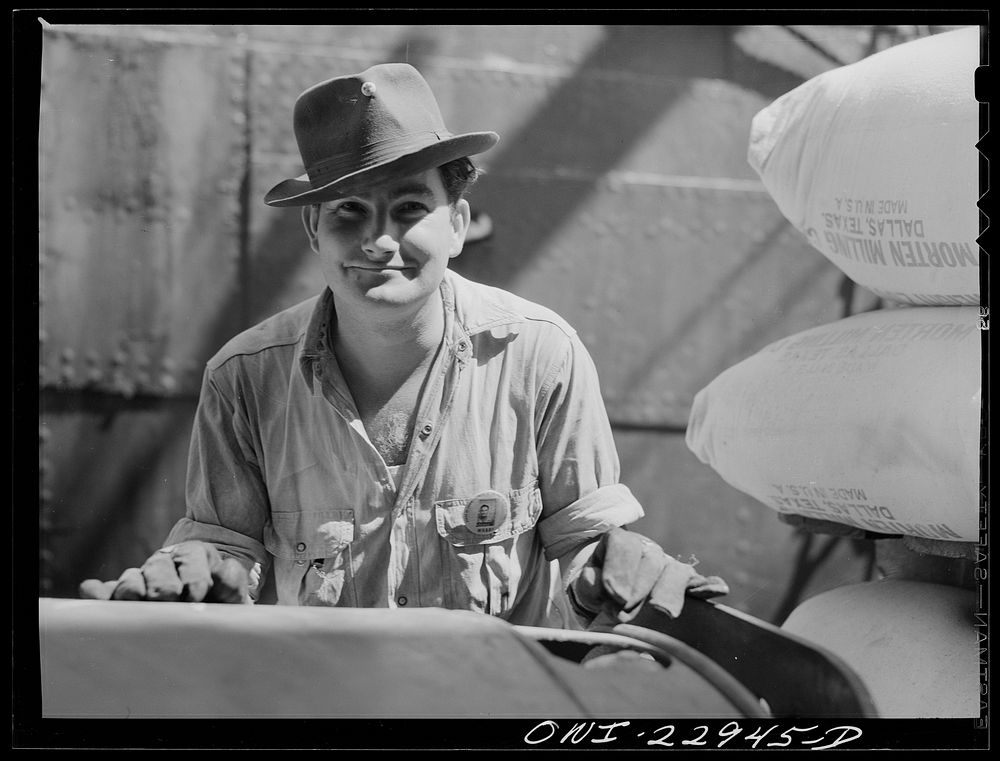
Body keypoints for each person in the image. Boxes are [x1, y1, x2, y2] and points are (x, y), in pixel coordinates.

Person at [79, 62, 727, 628]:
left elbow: (586, 550)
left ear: (458, 223)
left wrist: (613, 569)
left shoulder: (542, 356)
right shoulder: (243, 379)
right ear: (314, 229)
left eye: (410, 208)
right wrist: (201, 577)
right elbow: (227, 553)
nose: (380, 241)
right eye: (349, 212)